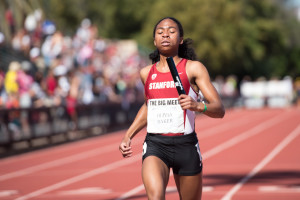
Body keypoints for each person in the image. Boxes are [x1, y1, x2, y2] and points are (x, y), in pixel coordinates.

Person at [119, 17, 225, 200]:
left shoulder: (193, 68)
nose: (165, 34)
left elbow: (219, 109)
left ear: (181, 39)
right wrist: (128, 135)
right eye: (160, 32)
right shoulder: (146, 73)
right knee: (155, 196)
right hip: (155, 145)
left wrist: (198, 105)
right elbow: (148, 106)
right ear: (154, 40)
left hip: (186, 146)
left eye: (171, 31)